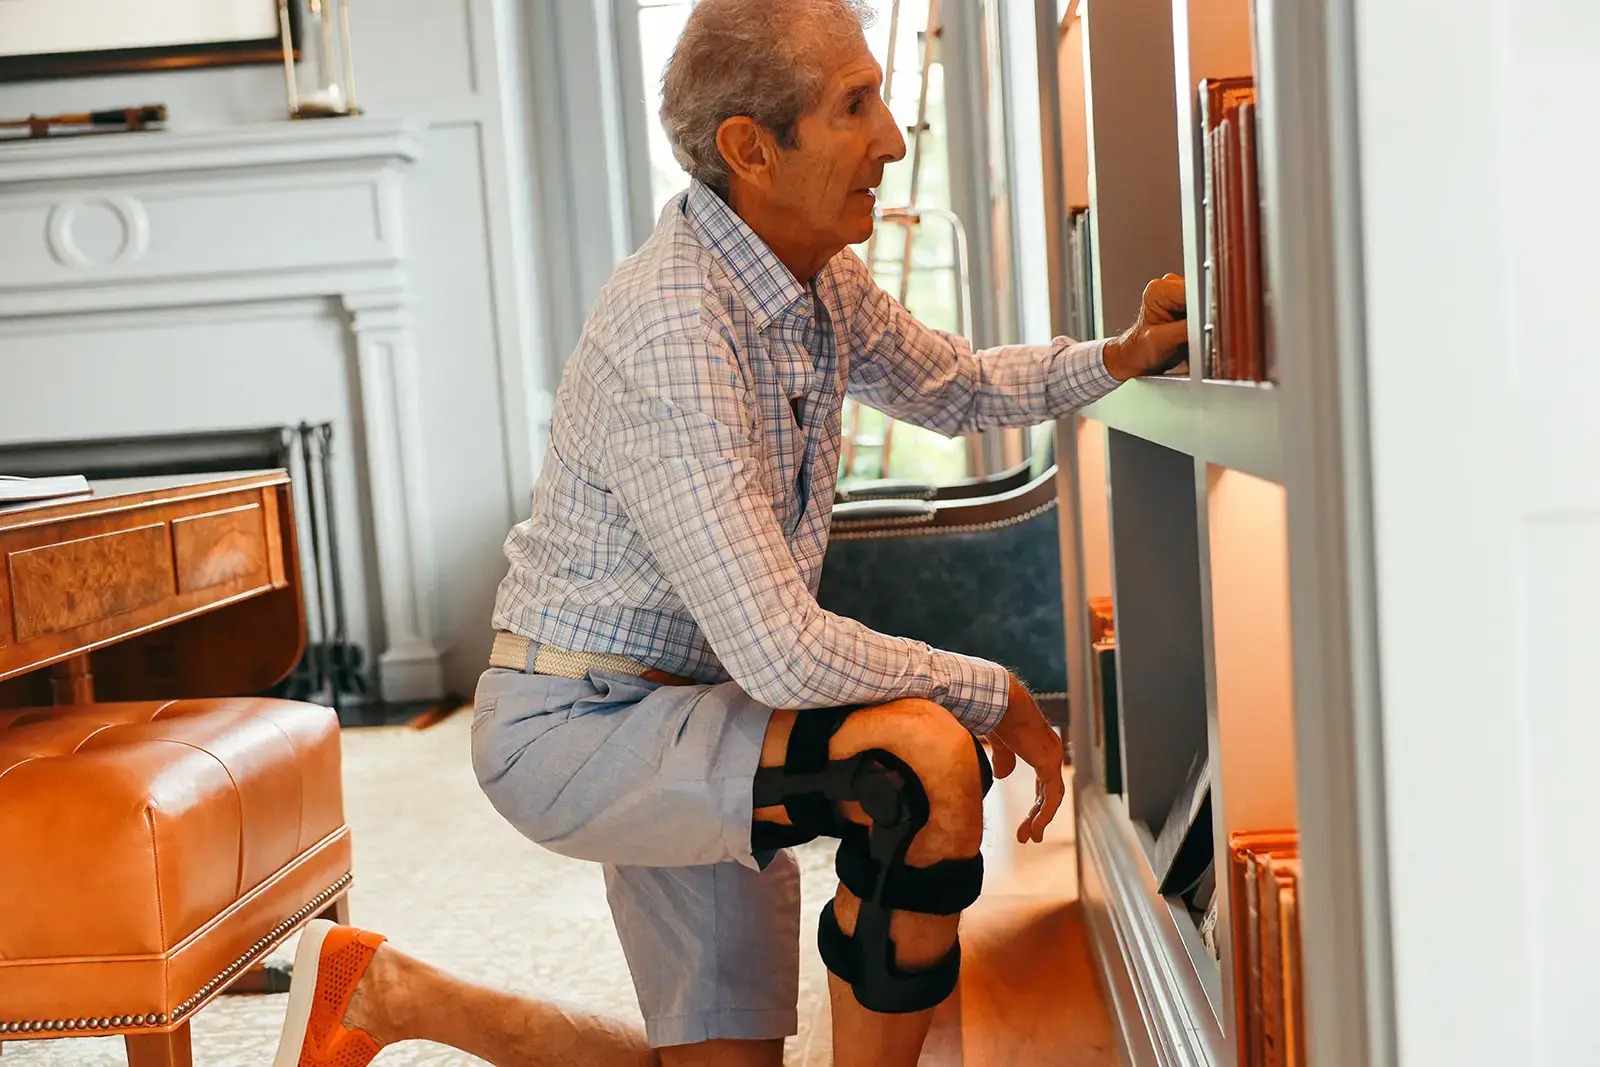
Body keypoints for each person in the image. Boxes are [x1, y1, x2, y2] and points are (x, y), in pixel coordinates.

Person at [271, 2, 1186, 1065]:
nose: (891, 138)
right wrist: (989, 687)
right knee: (921, 758)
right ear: (751, 149)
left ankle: (388, 991)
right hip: (582, 726)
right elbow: (782, 650)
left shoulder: (813, 276)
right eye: (856, 105)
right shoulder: (677, 328)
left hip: (697, 706)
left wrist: (1117, 354)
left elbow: (956, 384)